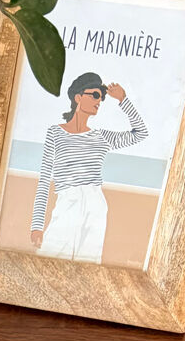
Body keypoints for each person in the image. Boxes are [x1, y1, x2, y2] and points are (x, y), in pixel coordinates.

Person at [29, 72, 148, 264]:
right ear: (78, 97)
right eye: (94, 95)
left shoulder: (101, 137)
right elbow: (44, 181)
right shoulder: (55, 133)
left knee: (88, 264)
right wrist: (36, 225)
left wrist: (123, 100)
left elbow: (140, 133)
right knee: (50, 260)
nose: (99, 100)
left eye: (101, 97)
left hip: (95, 204)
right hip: (67, 201)